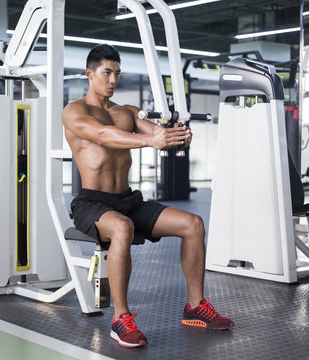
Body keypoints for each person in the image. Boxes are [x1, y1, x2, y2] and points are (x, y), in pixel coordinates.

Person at [62, 44, 234, 348]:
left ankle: (195, 307)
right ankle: (121, 318)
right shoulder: (75, 111)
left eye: (117, 73)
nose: (113, 79)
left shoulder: (126, 112)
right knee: (122, 227)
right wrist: (152, 139)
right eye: (107, 72)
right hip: (92, 203)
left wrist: (176, 135)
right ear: (89, 74)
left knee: (193, 224)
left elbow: (158, 134)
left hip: (128, 199)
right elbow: (103, 136)